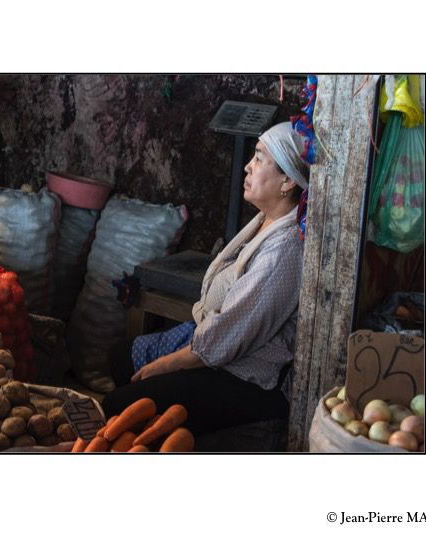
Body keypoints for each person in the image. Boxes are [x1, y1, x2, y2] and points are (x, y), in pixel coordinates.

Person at [101, 121, 310, 436]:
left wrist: (165, 365)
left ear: (287, 181)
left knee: (117, 404)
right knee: (121, 357)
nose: (246, 167)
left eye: (259, 158)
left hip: (248, 378)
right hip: (226, 352)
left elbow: (230, 334)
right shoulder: (266, 220)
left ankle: (167, 438)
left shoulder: (284, 251)